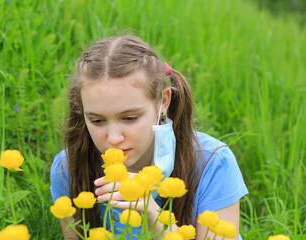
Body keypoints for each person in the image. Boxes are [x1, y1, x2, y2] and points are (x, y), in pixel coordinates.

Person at [50, 35, 248, 239]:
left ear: (163, 102)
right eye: (97, 121)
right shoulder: (68, 168)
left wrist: (152, 215)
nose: (114, 138)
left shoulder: (212, 164)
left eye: (129, 118)